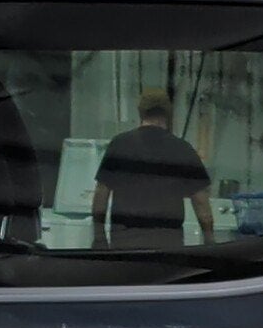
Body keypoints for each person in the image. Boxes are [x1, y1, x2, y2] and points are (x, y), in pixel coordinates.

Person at [91, 86, 214, 249]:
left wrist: (99, 237)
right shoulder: (183, 149)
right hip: (168, 245)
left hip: (125, 243)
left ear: (141, 112)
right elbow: (201, 203)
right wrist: (209, 242)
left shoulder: (119, 145)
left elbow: (101, 194)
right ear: (168, 114)